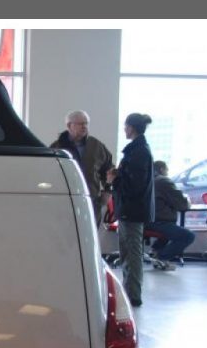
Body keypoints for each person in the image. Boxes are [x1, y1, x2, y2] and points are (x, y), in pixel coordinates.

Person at [107, 113, 155, 307]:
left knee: (132, 252)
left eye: (126, 127)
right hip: (132, 209)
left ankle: (133, 295)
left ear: (132, 128)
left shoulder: (138, 152)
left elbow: (134, 185)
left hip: (132, 210)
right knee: (128, 252)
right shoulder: (138, 150)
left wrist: (114, 179)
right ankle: (130, 291)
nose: (124, 130)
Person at [51, 110, 113, 225]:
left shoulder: (96, 146)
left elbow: (108, 170)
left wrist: (107, 192)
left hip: (91, 200)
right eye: (81, 124)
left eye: (86, 123)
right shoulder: (57, 147)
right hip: (65, 201)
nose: (84, 127)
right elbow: (50, 174)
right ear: (69, 125)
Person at [146, 161, 195, 271]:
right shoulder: (164, 181)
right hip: (158, 221)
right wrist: (187, 201)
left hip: (144, 220)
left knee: (171, 227)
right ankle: (161, 257)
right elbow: (182, 204)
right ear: (162, 169)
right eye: (167, 170)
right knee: (188, 236)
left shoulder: (148, 179)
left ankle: (156, 251)